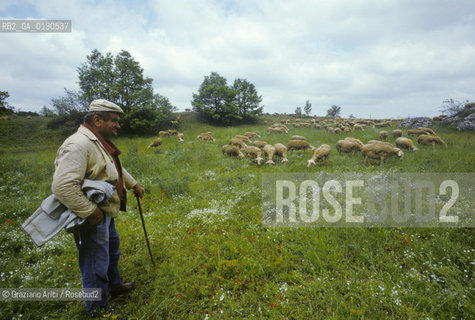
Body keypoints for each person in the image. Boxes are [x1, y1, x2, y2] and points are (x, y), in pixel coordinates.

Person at [51, 99, 145, 315]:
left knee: (112, 249)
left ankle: (114, 286)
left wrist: (134, 185)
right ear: (97, 120)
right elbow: (62, 186)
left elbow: (112, 169)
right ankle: (97, 309)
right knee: (95, 261)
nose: (118, 125)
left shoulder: (97, 142)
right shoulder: (78, 145)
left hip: (104, 213)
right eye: (113, 120)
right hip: (92, 215)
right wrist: (92, 213)